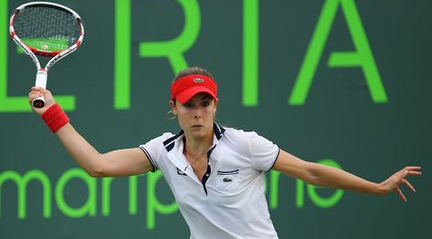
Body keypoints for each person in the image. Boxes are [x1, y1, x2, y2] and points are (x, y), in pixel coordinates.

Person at [28, 67, 421, 239]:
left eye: (205, 103)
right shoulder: (163, 151)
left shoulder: (246, 144)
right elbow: (97, 166)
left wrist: (377, 187)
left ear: (215, 106)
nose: (197, 111)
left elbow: (311, 173)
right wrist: (52, 114)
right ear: (174, 109)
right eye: (188, 104)